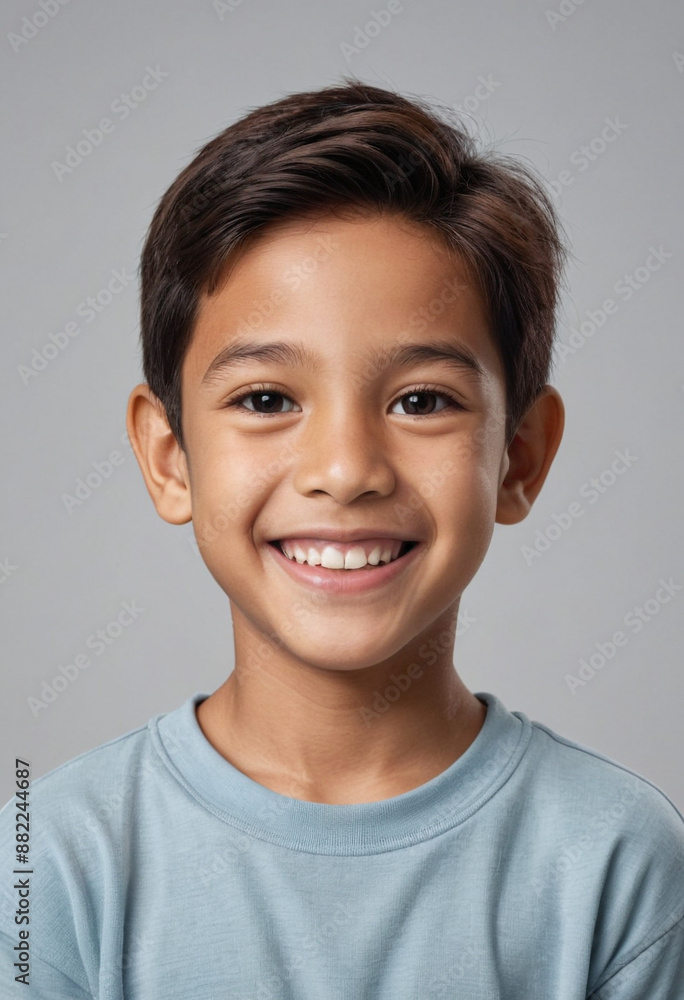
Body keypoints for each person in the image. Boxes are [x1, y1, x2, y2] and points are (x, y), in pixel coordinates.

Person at [1, 78, 683, 999]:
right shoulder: (50, 863)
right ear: (169, 457)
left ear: (520, 456)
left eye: (422, 401)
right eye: (267, 400)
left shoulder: (617, 861)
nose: (346, 467)